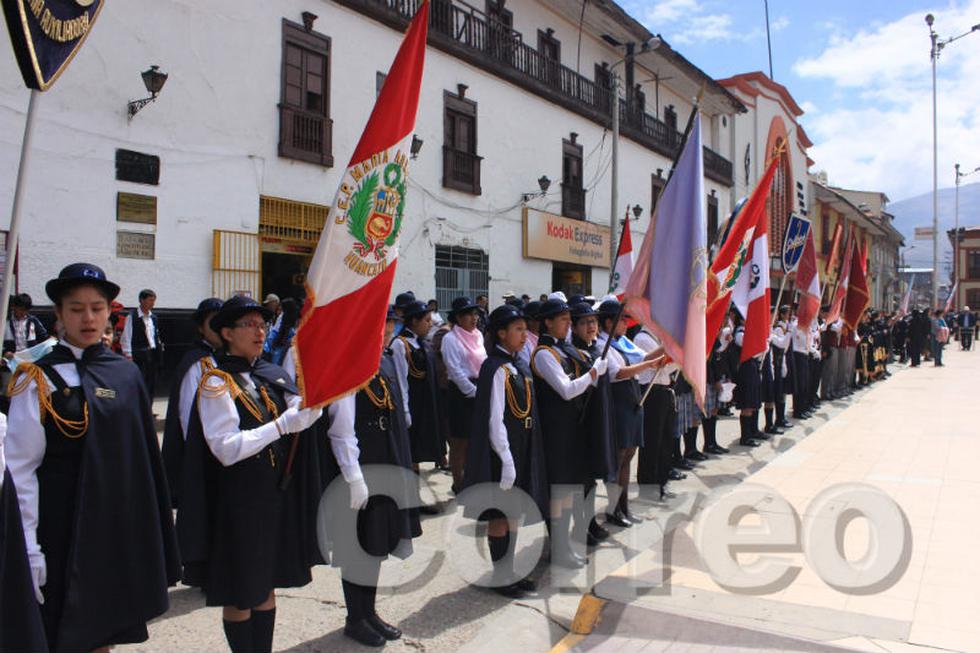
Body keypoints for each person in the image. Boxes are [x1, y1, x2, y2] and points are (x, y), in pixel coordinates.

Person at [5, 263, 179, 651]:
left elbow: (141, 461)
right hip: (58, 527)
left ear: (108, 314)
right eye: (76, 308)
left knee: (105, 630)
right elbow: (21, 467)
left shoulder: (125, 375)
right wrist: (28, 546)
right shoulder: (36, 378)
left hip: (112, 527)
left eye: (96, 308)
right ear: (59, 315)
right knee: (59, 633)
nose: (87, 318)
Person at [176, 295, 323, 653]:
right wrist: (281, 426)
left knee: (266, 584)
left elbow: (300, 412)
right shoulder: (216, 382)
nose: (260, 332)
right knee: (241, 591)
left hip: (272, 495)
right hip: (238, 501)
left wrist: (316, 402)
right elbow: (226, 448)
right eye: (249, 325)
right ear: (227, 333)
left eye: (262, 324)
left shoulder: (270, 374)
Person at [321, 311, 421, 646]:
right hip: (360, 465)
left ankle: (369, 611)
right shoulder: (347, 365)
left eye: (389, 332)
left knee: (377, 543)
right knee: (357, 545)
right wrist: (353, 477)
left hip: (386, 459)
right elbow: (340, 429)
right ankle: (355, 617)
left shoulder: (384, 361)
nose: (386, 339)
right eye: (381, 332)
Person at [463, 304, 548, 598]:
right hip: (502, 451)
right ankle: (501, 577)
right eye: (518, 329)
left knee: (514, 511)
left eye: (525, 329)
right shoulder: (495, 368)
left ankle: (510, 572)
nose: (524, 334)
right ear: (501, 333)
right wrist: (506, 459)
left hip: (520, 445)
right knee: (499, 515)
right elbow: (494, 418)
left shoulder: (516, 365)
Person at [530, 299, 605, 568]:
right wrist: (593, 373)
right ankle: (559, 550)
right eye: (562, 319)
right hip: (556, 432)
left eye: (568, 319)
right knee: (559, 492)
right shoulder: (544, 353)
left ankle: (564, 547)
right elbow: (566, 390)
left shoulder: (564, 349)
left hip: (571, 428)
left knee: (569, 490)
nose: (568, 324)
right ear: (547, 322)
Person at [595, 299, 658, 525]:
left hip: (631, 399)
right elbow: (618, 373)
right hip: (617, 401)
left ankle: (624, 507)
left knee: (629, 453)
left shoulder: (623, 342)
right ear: (609, 322)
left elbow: (645, 357)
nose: (626, 324)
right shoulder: (603, 345)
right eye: (622, 320)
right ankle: (613, 510)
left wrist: (671, 346)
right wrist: (649, 364)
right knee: (618, 457)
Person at [161, 297, 223, 509]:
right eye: (213, 322)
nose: (220, 327)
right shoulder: (198, 363)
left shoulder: (224, 358)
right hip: (204, 454)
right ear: (200, 328)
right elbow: (187, 416)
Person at [569, 302, 616, 546]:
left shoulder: (596, 349)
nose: (591, 326)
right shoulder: (573, 353)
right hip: (583, 422)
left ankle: (590, 523)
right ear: (574, 327)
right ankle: (582, 526)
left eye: (593, 322)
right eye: (585, 322)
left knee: (593, 477)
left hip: (600, 417)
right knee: (582, 480)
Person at [390, 300, 443, 514]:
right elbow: (400, 379)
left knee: (417, 455)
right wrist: (404, 410)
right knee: (410, 455)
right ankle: (411, 501)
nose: (430, 324)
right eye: (426, 320)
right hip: (412, 405)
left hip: (425, 404)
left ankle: (414, 499)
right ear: (413, 321)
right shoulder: (400, 344)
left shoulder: (422, 342)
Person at [439, 297, 486, 493]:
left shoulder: (478, 335)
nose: (474, 318)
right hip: (461, 392)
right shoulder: (450, 339)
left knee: (475, 439)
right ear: (458, 318)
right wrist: (473, 391)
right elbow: (455, 370)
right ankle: (458, 482)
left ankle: (471, 478)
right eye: (468, 314)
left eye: (475, 314)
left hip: (479, 387)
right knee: (460, 441)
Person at [121, 288, 164, 399]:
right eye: (150, 300)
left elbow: (155, 335)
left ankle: (149, 405)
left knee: (151, 383)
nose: (153, 303)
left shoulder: (153, 318)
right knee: (140, 383)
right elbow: (126, 337)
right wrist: (129, 356)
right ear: (141, 300)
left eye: (154, 301)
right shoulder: (132, 317)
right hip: (139, 355)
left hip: (152, 354)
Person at [731, 310, 764, 447]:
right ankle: (745, 437)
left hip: (752, 369)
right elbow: (752, 349)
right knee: (747, 404)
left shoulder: (747, 333)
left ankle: (752, 432)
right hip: (745, 372)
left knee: (753, 403)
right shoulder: (740, 334)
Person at [4, 293, 48, 359]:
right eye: (21, 309)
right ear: (13, 307)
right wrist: (4, 352)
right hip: (11, 360)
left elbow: (44, 338)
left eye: (26, 310)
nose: (24, 313)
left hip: (29, 359)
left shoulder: (33, 321)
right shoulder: (5, 321)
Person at [263, 297, 299, 365]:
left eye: (282, 309)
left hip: (281, 349)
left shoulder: (283, 318)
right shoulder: (287, 318)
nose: (280, 312)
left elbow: (274, 334)